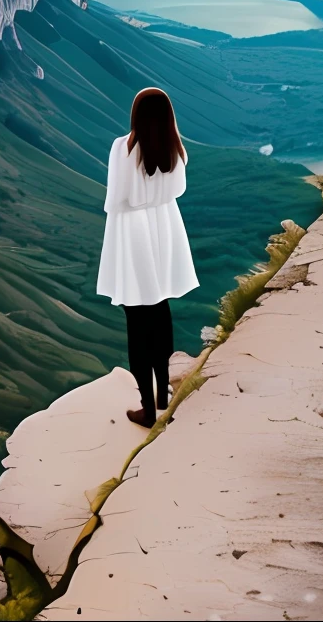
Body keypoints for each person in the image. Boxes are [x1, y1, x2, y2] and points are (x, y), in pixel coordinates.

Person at [96, 88, 199, 428]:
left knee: (137, 320)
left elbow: (116, 199)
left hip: (133, 234)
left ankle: (147, 408)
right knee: (160, 311)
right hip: (165, 229)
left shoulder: (122, 148)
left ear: (136, 116)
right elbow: (178, 191)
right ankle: (163, 393)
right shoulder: (175, 149)